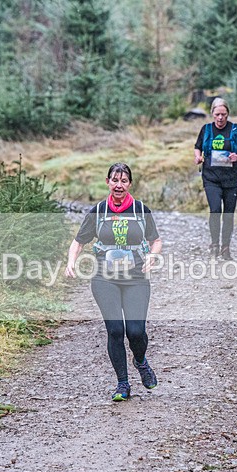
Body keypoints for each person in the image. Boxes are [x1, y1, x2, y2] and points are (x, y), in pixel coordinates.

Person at [66, 162, 163, 401]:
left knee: (136, 332)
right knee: (115, 330)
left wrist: (152, 256)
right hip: (104, 278)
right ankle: (122, 384)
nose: (119, 185)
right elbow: (79, 241)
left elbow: (156, 240)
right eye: (115, 180)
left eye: (124, 181)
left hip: (136, 277)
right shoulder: (98, 211)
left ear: (130, 184)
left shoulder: (140, 210)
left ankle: (140, 361)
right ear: (108, 182)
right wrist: (71, 262)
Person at [193, 97, 237, 260]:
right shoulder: (206, 129)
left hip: (231, 179)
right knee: (215, 209)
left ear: (228, 114)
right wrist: (198, 157)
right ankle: (214, 245)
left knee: (228, 214)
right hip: (211, 177)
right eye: (217, 114)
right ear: (212, 113)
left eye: (223, 115)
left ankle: (226, 247)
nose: (220, 118)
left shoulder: (235, 129)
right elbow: (197, 147)